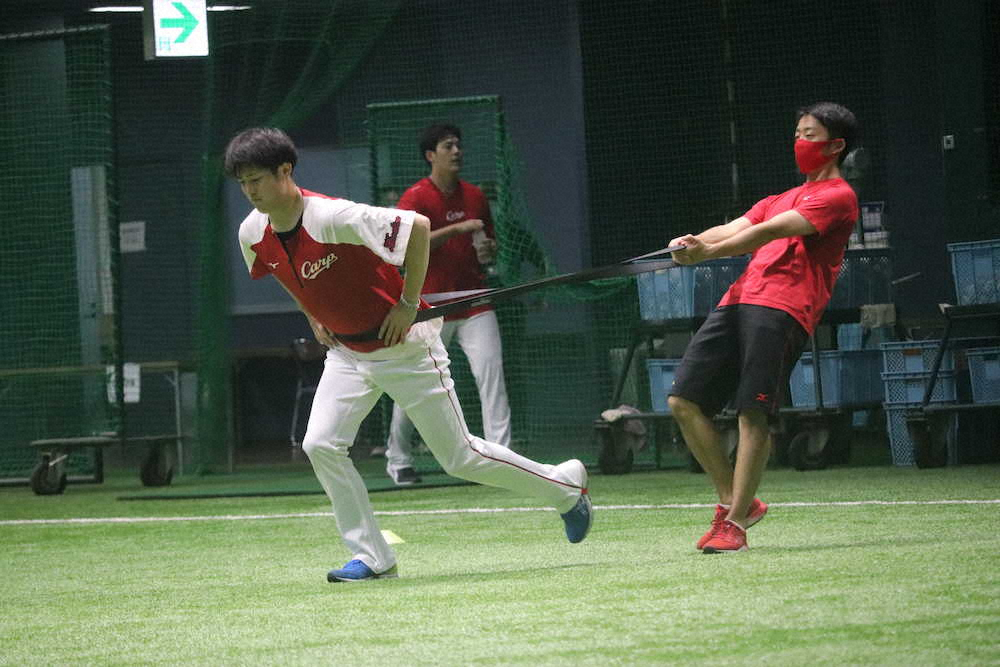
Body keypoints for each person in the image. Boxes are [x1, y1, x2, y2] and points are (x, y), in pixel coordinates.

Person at [225, 127, 592, 582]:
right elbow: (283, 270)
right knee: (319, 444)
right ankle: (373, 557)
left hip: (405, 349)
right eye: (242, 183)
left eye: (256, 179)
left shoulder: (333, 216)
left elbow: (417, 228)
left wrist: (407, 303)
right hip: (348, 354)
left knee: (460, 457)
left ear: (285, 170)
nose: (249, 191)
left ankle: (565, 487)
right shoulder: (252, 231)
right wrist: (312, 313)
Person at [666, 102, 859, 553]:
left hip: (783, 308)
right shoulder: (778, 197)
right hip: (739, 299)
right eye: (797, 134)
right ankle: (736, 502)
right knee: (683, 400)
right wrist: (692, 242)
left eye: (809, 135)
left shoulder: (838, 197)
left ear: (835, 146)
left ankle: (733, 525)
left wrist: (707, 254)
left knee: (751, 411)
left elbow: (765, 234)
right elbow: (733, 227)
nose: (799, 143)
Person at [383, 124, 513, 486]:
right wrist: (456, 230)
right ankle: (399, 460)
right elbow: (403, 248)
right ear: (431, 155)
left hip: (475, 302)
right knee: (414, 384)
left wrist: (488, 250)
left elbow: (487, 244)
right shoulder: (415, 199)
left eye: (458, 145)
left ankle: (502, 461)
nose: (457, 151)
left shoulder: (475, 196)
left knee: (492, 378)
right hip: (428, 308)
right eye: (448, 146)